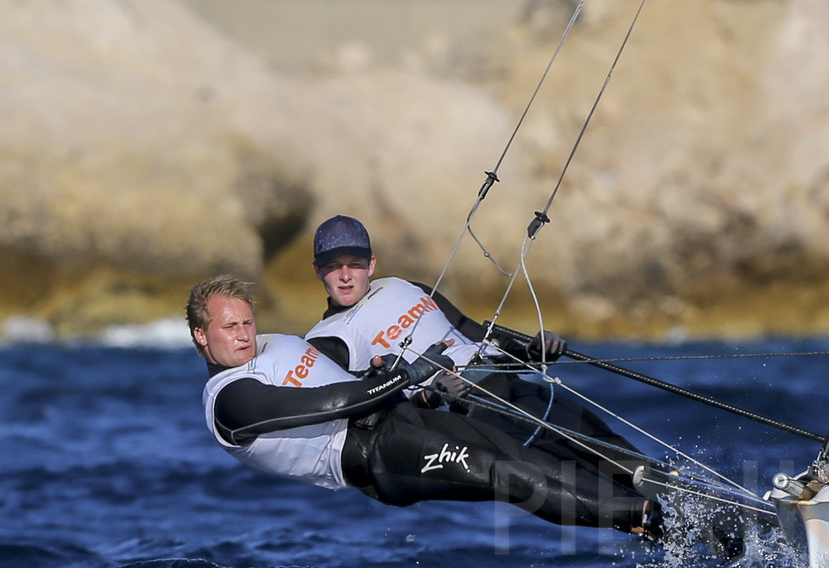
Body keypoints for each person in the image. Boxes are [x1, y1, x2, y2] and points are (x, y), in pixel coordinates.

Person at [189, 274, 659, 536]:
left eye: (246, 322)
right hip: (377, 456)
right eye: (229, 327)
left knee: (528, 455)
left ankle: (668, 516)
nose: (244, 334)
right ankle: (640, 517)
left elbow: (342, 380)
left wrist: (394, 378)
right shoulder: (231, 400)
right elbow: (326, 402)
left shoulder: (270, 345)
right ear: (200, 335)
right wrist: (402, 377)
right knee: (507, 474)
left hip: (404, 418)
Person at [302, 214, 646, 480]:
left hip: (506, 386)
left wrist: (533, 352)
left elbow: (474, 335)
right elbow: (364, 414)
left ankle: (685, 504)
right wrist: (427, 397)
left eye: (355, 265)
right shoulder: (327, 340)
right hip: (467, 418)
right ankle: (645, 520)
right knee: (574, 476)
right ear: (317, 271)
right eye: (333, 267)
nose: (345, 276)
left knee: (615, 451)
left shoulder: (407, 287)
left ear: (371, 265)